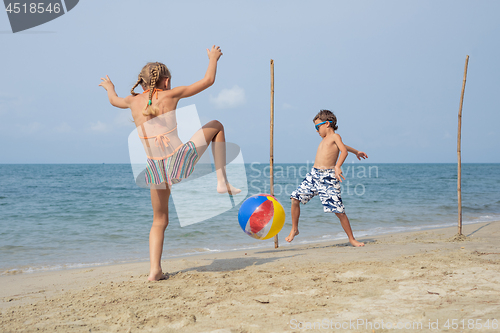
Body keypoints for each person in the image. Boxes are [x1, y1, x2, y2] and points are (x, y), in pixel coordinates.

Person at [99, 45, 240, 281]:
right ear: (165, 81)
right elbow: (208, 80)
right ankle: (221, 181)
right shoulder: (170, 95)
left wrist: (109, 88)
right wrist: (213, 58)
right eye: (170, 81)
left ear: (142, 84)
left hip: (155, 169)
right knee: (217, 125)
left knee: (159, 220)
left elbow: (113, 101)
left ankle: (154, 270)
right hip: (178, 160)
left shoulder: (132, 102)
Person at [285, 109, 366, 247]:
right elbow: (345, 147)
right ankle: (295, 229)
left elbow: (343, 151)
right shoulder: (326, 139)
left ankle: (351, 239)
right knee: (295, 198)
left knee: (339, 211)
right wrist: (357, 151)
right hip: (313, 175)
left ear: (327, 124)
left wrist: (337, 166)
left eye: (318, 127)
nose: (317, 131)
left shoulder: (335, 137)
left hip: (328, 177)